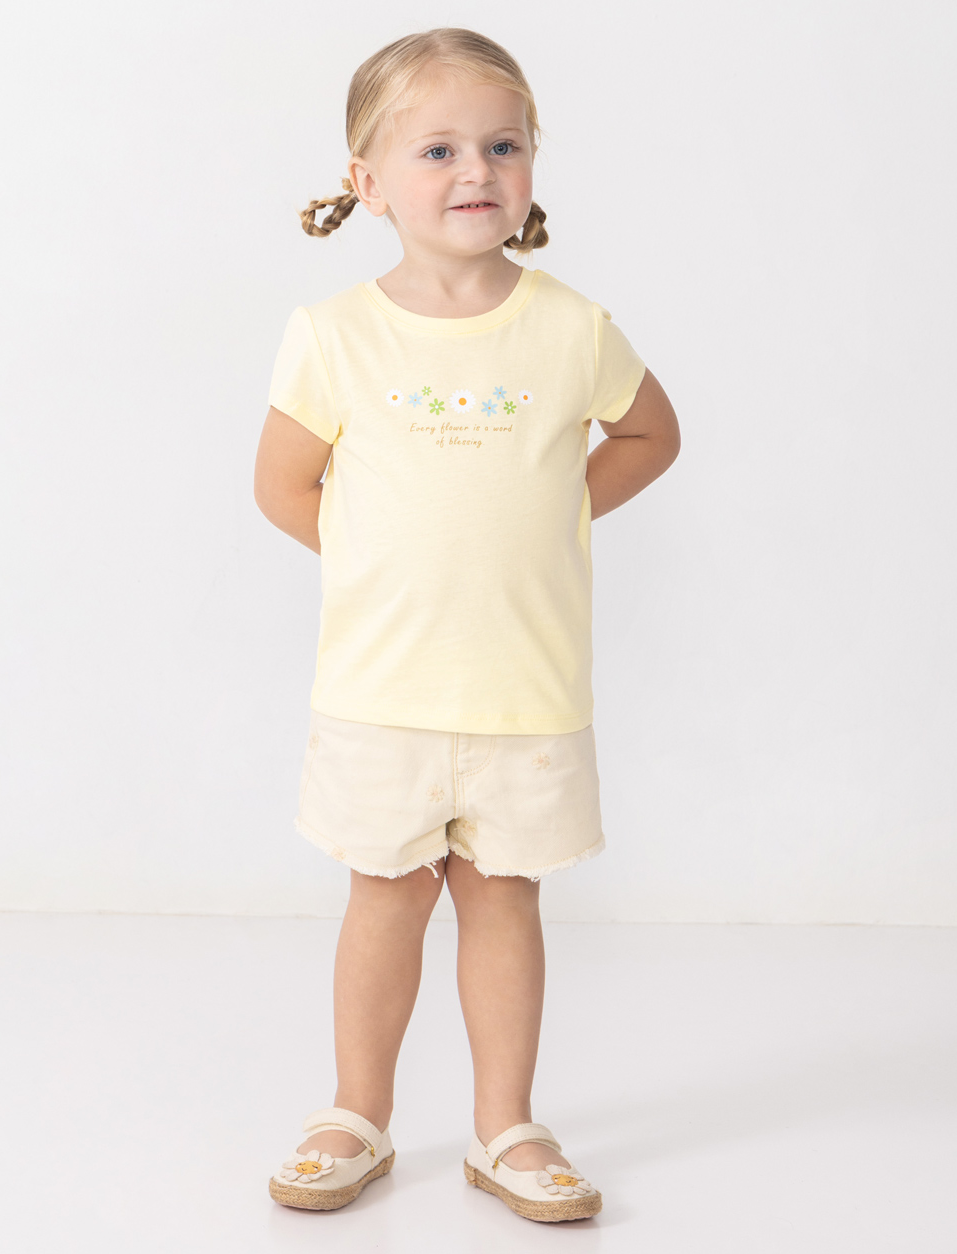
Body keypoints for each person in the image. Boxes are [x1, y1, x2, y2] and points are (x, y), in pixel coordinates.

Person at [253, 27, 680, 1223]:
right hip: (381, 691)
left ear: (531, 164)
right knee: (384, 900)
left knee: (504, 900)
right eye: (436, 149)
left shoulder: (570, 328)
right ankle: (357, 1113)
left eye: (502, 145)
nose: (475, 170)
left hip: (523, 690)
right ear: (368, 180)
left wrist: (553, 515)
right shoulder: (333, 334)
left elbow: (650, 434)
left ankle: (506, 1128)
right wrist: (391, 564)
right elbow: (283, 486)